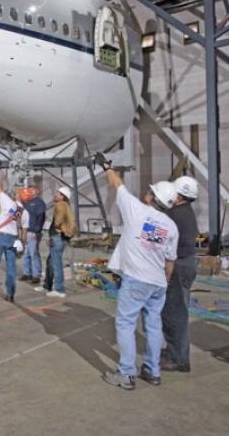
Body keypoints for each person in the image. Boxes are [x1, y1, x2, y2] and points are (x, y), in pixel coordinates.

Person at [96, 152, 179, 391]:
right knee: (153, 325)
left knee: (125, 324)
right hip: (158, 283)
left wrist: (106, 166)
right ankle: (152, 371)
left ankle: (126, 374)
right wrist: (165, 280)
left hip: (136, 280)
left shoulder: (136, 210)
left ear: (151, 197)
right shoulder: (170, 226)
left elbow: (117, 184)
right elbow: (170, 260)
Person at [161, 175, 200, 373]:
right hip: (187, 263)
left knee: (174, 313)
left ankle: (178, 359)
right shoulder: (186, 212)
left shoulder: (174, 215)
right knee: (177, 310)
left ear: (179, 196)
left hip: (178, 266)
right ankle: (173, 351)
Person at [0, 165, 29, 303]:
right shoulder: (24, 212)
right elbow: (24, 229)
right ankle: (10, 294)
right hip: (14, 240)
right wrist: (22, 244)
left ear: (18, 195)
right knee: (11, 266)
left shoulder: (8, 203)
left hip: (0, 237)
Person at [35, 186, 76, 298]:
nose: (55, 194)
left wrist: (57, 228)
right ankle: (47, 285)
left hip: (57, 238)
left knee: (56, 263)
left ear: (62, 196)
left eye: (57, 193)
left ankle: (60, 289)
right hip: (59, 238)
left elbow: (58, 221)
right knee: (50, 263)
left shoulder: (61, 205)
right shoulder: (66, 205)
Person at [19, 185, 46, 284]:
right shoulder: (26, 202)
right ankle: (27, 273)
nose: (29, 191)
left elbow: (41, 217)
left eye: (31, 190)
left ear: (36, 191)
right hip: (25, 231)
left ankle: (36, 274)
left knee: (33, 253)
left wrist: (37, 231)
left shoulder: (39, 203)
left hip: (33, 232)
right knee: (25, 253)